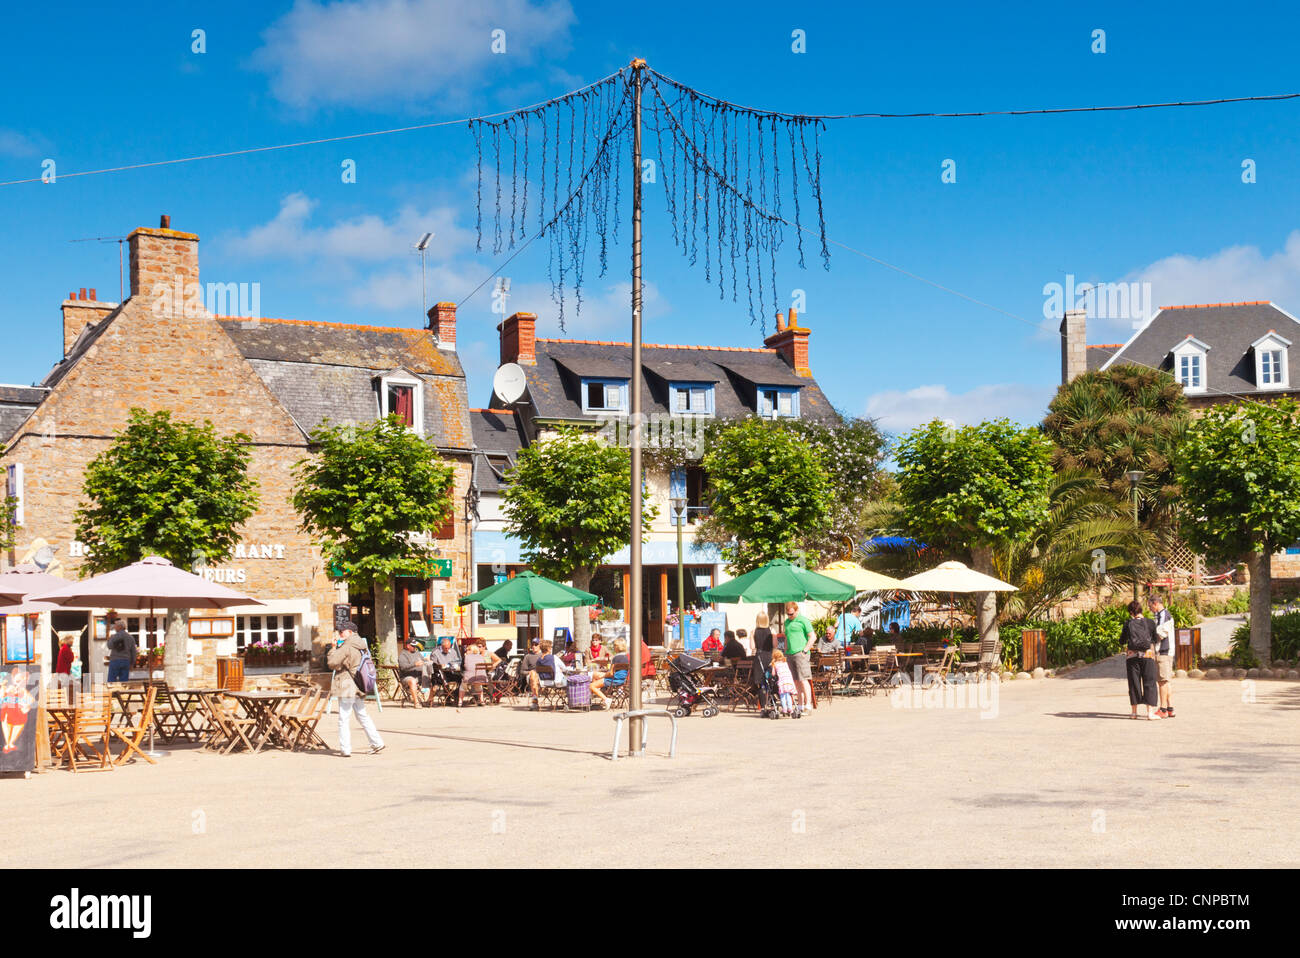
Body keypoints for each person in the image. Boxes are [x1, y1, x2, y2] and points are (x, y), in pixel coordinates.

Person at [326, 620, 386, 756]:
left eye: (342, 631)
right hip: (359, 683)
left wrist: (333, 648)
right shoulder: (362, 645)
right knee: (362, 715)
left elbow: (332, 663)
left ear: (350, 632)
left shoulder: (347, 646)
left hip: (347, 684)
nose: (340, 633)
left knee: (344, 718)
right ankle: (377, 743)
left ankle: (345, 748)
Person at [1121, 600, 1161, 720]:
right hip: (1148, 657)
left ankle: (1134, 713)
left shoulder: (1128, 623)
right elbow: (1155, 638)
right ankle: (1149, 713)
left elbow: (1122, 640)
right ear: (1141, 610)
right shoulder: (1150, 622)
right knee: (1149, 682)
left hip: (1132, 658)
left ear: (1131, 613)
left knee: (1134, 683)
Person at [782, 602, 815, 712]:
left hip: (801, 653)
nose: (789, 616)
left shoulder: (803, 620)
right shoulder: (786, 622)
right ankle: (800, 704)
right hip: (789, 654)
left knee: (803, 679)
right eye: (788, 614)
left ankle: (808, 704)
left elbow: (813, 636)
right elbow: (786, 637)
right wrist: (784, 651)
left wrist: (805, 650)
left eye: (791, 614)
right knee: (795, 680)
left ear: (797, 611)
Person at [1150, 596, 1176, 719]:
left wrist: (1149, 637)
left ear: (1155, 603)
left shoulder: (1163, 615)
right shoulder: (1161, 615)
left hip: (1163, 652)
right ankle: (1170, 708)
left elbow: (1160, 633)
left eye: (1150, 606)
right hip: (1166, 652)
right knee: (1166, 680)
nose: (1150, 609)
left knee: (1162, 682)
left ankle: (1163, 709)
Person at [591, 639, 629, 709]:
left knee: (592, 686)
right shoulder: (626, 657)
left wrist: (603, 675)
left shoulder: (616, 658)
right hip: (622, 680)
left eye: (614, 646)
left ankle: (606, 699)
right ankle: (602, 694)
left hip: (613, 680)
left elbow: (611, 673)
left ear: (617, 647)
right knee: (595, 675)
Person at [396, 637, 427, 708]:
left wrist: (426, 660)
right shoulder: (403, 655)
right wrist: (415, 664)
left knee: (431, 676)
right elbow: (403, 667)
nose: (415, 647)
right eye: (413, 646)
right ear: (408, 646)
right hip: (407, 677)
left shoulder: (417, 653)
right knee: (412, 681)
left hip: (418, 675)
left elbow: (423, 661)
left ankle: (429, 700)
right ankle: (416, 703)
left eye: (415, 646)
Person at [105, 619, 135, 684]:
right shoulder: (130, 637)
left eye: (116, 626)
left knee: (112, 680)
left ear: (120, 627)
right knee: (124, 682)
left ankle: (113, 693)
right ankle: (123, 693)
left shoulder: (114, 636)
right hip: (126, 661)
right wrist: (132, 663)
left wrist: (109, 639)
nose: (115, 627)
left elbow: (109, 646)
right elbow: (133, 652)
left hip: (115, 660)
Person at [771, 650, 796, 715]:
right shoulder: (785, 663)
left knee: (782, 695)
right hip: (789, 680)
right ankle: (790, 708)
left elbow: (773, 674)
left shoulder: (775, 664)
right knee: (788, 695)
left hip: (782, 682)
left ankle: (784, 709)